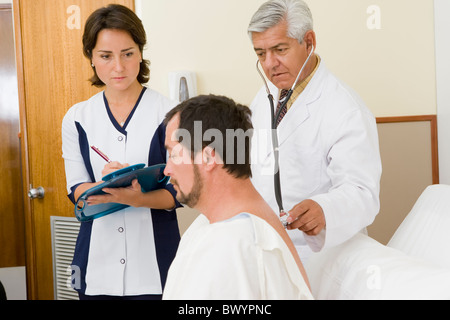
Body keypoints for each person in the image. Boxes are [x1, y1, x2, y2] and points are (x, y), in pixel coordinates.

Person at [61, 4, 180, 300]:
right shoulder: (77, 118)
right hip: (96, 265)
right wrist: (109, 185)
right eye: (105, 56)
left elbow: (181, 193)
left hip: (157, 265)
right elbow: (77, 191)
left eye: (128, 53)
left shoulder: (171, 114)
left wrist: (137, 198)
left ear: (140, 52)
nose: (119, 66)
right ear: (91, 58)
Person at [248, 0, 382, 261]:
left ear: (308, 42)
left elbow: (362, 193)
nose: (269, 64)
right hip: (269, 246)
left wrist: (324, 209)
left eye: (279, 49)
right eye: (260, 54)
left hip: (320, 254)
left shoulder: (346, 109)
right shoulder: (266, 95)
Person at [162, 94, 313, 300]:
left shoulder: (232, 244)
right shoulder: (242, 223)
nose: (167, 169)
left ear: (208, 157)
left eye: (173, 154)